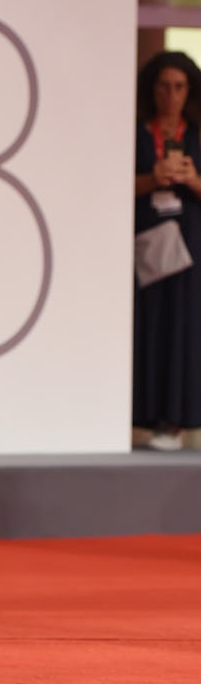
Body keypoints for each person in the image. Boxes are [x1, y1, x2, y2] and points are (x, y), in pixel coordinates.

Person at [134, 50, 201, 451]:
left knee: (186, 331)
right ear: (152, 89)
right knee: (151, 328)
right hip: (149, 246)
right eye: (163, 86)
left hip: (190, 250)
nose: (171, 95)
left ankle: (180, 421)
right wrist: (152, 178)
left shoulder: (197, 136)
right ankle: (150, 418)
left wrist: (193, 180)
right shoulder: (138, 134)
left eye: (179, 87)